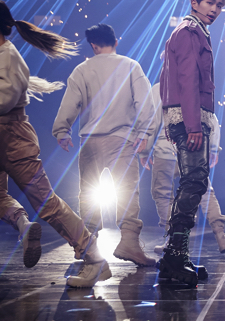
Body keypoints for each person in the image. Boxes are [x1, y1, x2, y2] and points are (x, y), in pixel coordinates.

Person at [0, 0, 110, 287]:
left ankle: (94, 257)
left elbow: (5, 100)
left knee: (46, 203)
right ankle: (24, 226)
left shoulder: (8, 55)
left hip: (12, 137)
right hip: (9, 135)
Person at [53, 23, 156, 269]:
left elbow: (70, 103)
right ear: (116, 41)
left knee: (88, 192)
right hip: (122, 139)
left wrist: (62, 130)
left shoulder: (82, 70)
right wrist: (145, 132)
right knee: (127, 191)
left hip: (90, 140)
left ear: (93, 46)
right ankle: (129, 242)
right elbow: (145, 102)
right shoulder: (131, 66)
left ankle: (88, 247)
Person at [158, 0, 225, 287]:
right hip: (189, 118)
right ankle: (175, 256)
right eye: (210, 3)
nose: (215, 9)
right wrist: (193, 125)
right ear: (194, 3)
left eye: (219, 5)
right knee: (194, 181)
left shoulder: (197, 31)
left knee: (194, 181)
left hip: (191, 116)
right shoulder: (188, 33)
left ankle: (175, 255)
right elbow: (187, 80)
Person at [140, 81, 225, 257]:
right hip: (193, 148)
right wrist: (213, 148)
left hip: (165, 150)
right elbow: (210, 118)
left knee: (163, 194)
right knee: (204, 190)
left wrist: (145, 151)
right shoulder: (196, 85)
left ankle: (171, 239)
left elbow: (152, 121)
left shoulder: (159, 88)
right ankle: (221, 236)